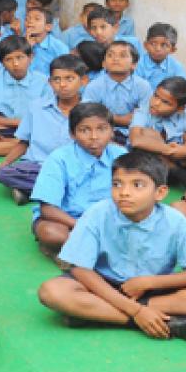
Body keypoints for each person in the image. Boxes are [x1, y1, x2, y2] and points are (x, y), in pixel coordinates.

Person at [37, 150, 186, 343]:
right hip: (103, 286)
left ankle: (99, 313)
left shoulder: (175, 221)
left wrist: (148, 282)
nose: (124, 192)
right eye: (117, 184)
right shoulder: (98, 213)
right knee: (52, 291)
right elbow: (80, 269)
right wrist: (136, 311)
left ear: (160, 192)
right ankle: (167, 321)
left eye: (137, 185)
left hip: (152, 289)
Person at [30, 103, 128, 257]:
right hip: (68, 221)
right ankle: (87, 249)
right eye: (84, 130)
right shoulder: (59, 158)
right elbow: (47, 209)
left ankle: (77, 250)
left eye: (101, 129)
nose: (94, 136)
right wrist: (83, 226)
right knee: (51, 232)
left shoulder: (121, 155)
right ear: (72, 134)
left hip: (108, 219)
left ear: (112, 132)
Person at [0, 54, 89, 204]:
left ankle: (31, 190)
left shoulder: (92, 110)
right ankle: (62, 192)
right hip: (37, 166)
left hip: (73, 168)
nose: (62, 85)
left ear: (83, 81)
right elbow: (24, 142)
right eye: (56, 80)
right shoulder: (36, 107)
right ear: (50, 82)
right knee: (3, 173)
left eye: (69, 79)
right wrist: (5, 163)